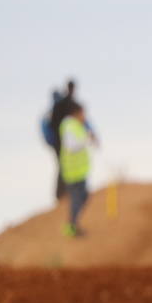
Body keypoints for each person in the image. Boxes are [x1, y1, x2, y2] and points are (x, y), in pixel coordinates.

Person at [57, 102, 98, 237]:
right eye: (83, 113)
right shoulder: (69, 126)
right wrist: (87, 138)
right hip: (73, 172)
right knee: (77, 199)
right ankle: (72, 227)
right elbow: (71, 146)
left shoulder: (76, 126)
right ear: (76, 113)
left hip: (78, 171)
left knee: (83, 197)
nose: (84, 116)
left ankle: (73, 225)